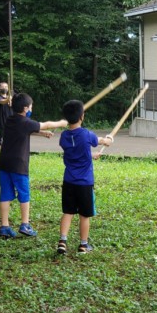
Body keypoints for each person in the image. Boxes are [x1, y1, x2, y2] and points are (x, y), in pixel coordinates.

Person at [0, 93, 68, 238]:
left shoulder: (11, 119)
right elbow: (46, 123)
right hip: (18, 165)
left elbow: (24, 131)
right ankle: (25, 224)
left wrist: (42, 134)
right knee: (24, 193)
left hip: (4, 163)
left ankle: (4, 227)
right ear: (25, 108)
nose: (31, 109)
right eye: (30, 107)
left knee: (6, 194)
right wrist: (61, 123)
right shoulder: (25, 122)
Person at [56, 99, 112, 254]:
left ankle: (62, 242)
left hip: (69, 181)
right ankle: (83, 245)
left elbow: (76, 151)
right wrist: (109, 139)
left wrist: (90, 155)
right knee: (84, 215)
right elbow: (101, 141)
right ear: (82, 116)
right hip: (85, 183)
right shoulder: (87, 134)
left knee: (68, 212)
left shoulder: (64, 137)